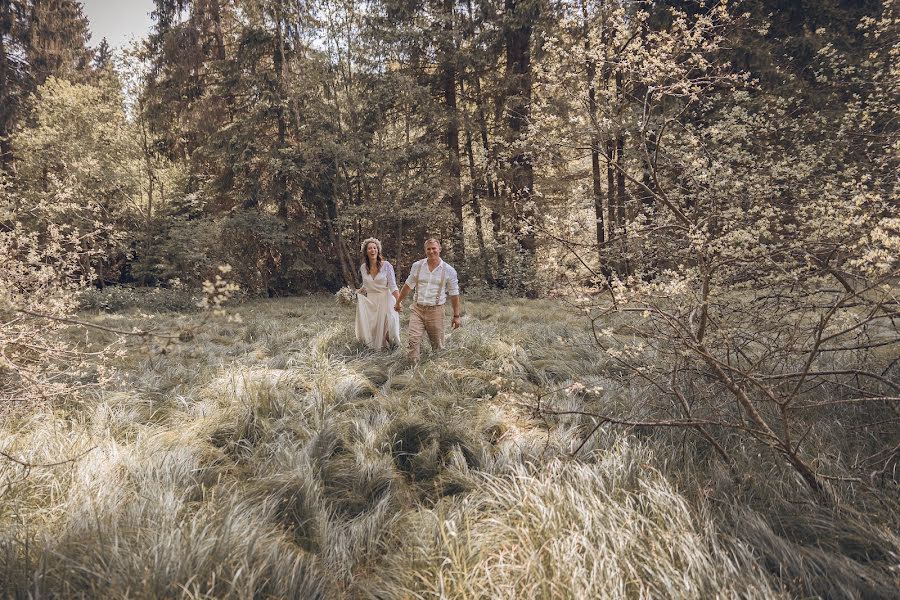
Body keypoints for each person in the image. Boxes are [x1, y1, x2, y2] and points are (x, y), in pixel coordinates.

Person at [394, 238, 461, 361]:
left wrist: (456, 316)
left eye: (434, 248)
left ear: (439, 249)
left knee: (438, 346)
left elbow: (454, 294)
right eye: (428, 249)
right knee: (413, 341)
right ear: (425, 250)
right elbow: (408, 285)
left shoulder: (449, 270)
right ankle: (412, 370)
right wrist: (398, 302)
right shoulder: (417, 266)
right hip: (417, 309)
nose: (431, 251)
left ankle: (435, 372)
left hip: (436, 311)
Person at [355, 237, 401, 350]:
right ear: (366, 251)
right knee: (374, 327)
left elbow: (393, 285)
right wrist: (357, 292)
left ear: (378, 250)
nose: (372, 250)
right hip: (371, 300)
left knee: (390, 327)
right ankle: (379, 349)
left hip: (386, 299)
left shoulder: (387, 266)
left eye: (374, 248)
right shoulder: (363, 268)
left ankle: (395, 349)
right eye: (369, 248)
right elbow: (367, 284)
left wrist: (399, 301)